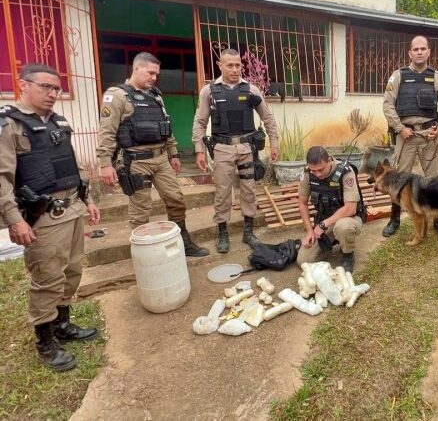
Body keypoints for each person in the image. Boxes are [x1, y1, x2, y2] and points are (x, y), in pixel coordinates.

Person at [0, 64, 100, 371]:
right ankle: (45, 342)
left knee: (71, 270)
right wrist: (15, 220)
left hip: (72, 207)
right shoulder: (9, 125)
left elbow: (70, 163)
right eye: (46, 87)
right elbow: (2, 177)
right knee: (47, 278)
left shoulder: (58, 120)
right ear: (23, 86)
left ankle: (62, 325)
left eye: (56, 88)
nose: (53, 94)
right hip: (42, 214)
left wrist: (88, 198)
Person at [96, 52, 208, 256]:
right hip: (135, 161)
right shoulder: (117, 96)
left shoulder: (155, 95)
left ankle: (184, 241)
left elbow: (166, 126)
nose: (154, 77)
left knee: (176, 199)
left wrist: (173, 154)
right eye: (150, 73)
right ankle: (143, 252)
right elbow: (107, 132)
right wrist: (105, 163)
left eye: (156, 74)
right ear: (136, 68)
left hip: (160, 158)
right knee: (140, 210)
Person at [192, 48, 279, 253]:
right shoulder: (209, 91)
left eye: (238, 65)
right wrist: (199, 150)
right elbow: (200, 122)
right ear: (220, 65)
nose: (234, 69)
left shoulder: (251, 90)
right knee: (222, 192)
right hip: (222, 148)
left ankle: (248, 233)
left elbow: (268, 118)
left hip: (247, 148)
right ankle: (222, 233)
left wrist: (274, 143)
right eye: (229, 65)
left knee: (249, 190)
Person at [382, 35, 438, 239]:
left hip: (429, 136)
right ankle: (394, 219)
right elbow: (387, 105)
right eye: (416, 49)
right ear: (410, 53)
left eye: (423, 49)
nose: (420, 52)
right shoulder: (398, 77)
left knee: (435, 180)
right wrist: (399, 128)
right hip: (405, 135)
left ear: (429, 52)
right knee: (397, 180)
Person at [296, 146, 367, 272]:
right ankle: (329, 243)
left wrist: (322, 225)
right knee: (303, 261)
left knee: (343, 227)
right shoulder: (307, 174)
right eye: (314, 171)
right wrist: (309, 231)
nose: (317, 174)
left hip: (348, 218)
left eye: (320, 169)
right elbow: (302, 203)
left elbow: (350, 208)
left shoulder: (345, 172)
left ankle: (348, 253)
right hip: (325, 220)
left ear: (329, 160)